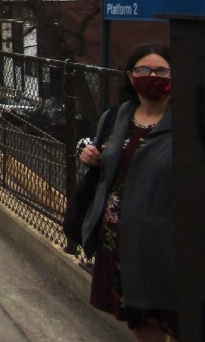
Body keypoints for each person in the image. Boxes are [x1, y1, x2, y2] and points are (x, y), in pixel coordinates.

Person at [79, 43, 177, 341]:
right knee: (141, 320)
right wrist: (92, 157)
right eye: (143, 70)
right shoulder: (118, 117)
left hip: (167, 242)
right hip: (120, 239)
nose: (152, 76)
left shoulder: (189, 122)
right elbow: (108, 162)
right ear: (130, 76)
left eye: (161, 71)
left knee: (176, 316)